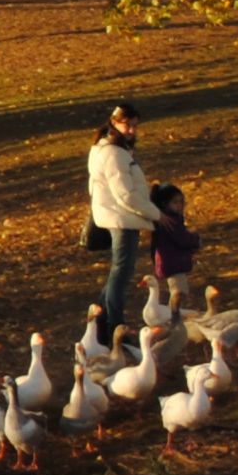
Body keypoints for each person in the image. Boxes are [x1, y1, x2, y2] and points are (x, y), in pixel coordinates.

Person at [87, 103, 159, 318]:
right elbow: (125, 195)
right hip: (121, 218)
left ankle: (100, 317)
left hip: (117, 215)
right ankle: (113, 323)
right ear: (114, 122)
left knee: (119, 271)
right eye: (127, 125)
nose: (132, 131)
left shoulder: (109, 148)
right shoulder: (113, 153)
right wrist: (156, 215)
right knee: (121, 273)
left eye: (135, 126)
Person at [147, 183, 202, 313]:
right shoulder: (170, 221)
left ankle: (175, 314)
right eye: (175, 202)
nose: (179, 205)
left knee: (178, 291)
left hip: (172, 262)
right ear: (165, 204)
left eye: (181, 202)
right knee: (179, 293)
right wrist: (196, 240)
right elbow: (181, 238)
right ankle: (174, 316)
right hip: (172, 263)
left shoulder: (171, 220)